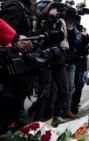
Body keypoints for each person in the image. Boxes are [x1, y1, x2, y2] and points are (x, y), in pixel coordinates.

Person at [1, 0, 36, 128]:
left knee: (17, 95)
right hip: (11, 63)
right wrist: (16, 40)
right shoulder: (15, 5)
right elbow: (7, 36)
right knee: (10, 97)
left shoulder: (25, 7)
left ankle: (15, 121)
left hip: (18, 60)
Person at [71, 24, 89, 115]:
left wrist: (86, 35)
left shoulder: (81, 30)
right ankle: (70, 104)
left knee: (79, 84)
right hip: (73, 61)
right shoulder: (72, 29)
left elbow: (88, 45)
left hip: (81, 63)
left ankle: (75, 103)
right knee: (71, 85)